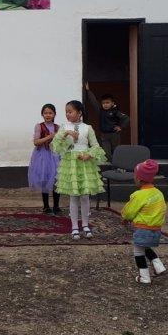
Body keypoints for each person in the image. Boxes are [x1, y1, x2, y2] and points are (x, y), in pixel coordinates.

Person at [51, 100, 106, 240]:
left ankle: (86, 225)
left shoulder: (88, 128)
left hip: (85, 163)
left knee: (85, 196)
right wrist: (65, 136)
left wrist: (89, 154)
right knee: (74, 196)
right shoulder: (64, 127)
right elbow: (56, 147)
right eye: (66, 112)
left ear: (79, 112)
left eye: (70, 111)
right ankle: (74, 226)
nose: (68, 114)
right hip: (71, 163)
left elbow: (96, 146)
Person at [121, 159, 168, 284]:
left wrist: (125, 218)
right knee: (145, 247)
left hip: (142, 228)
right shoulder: (159, 193)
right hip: (156, 228)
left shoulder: (138, 195)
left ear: (140, 179)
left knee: (138, 251)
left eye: (135, 176)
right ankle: (158, 266)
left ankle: (145, 277)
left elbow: (129, 212)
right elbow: (163, 209)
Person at [28, 104, 61, 214]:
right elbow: (36, 142)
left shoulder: (58, 127)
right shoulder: (39, 126)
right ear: (42, 114)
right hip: (43, 155)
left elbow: (61, 143)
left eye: (50, 113)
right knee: (45, 179)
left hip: (55, 155)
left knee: (57, 180)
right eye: (45, 113)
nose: (48, 115)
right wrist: (49, 137)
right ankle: (46, 206)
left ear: (54, 114)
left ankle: (56, 206)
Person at [85, 83, 130, 160]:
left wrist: (121, 127)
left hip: (114, 135)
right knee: (106, 152)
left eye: (107, 103)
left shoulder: (116, 111)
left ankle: (117, 166)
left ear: (112, 103)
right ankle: (111, 166)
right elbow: (94, 102)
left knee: (116, 151)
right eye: (103, 103)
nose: (105, 105)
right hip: (104, 135)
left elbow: (126, 118)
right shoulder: (100, 111)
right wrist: (88, 91)